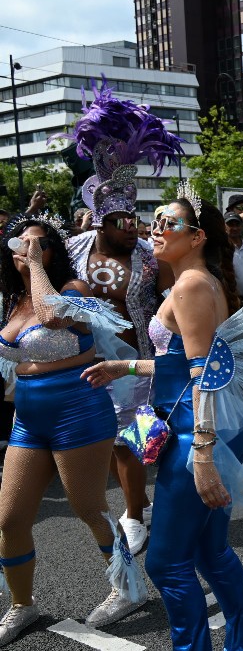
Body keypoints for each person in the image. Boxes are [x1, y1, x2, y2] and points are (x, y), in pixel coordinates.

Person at [84, 184, 243, 650]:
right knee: (210, 552)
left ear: (197, 238)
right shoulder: (195, 282)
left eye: (169, 223)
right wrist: (123, 366)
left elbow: (205, 374)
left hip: (195, 434)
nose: (156, 230)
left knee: (166, 563)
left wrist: (204, 456)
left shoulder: (190, 285)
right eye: (156, 221)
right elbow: (184, 362)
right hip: (207, 427)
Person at [0, 215, 146, 643]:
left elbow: (51, 315)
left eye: (40, 245)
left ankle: (128, 588)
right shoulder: (12, 302)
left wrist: (36, 267)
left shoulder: (73, 291)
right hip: (28, 414)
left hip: (78, 408)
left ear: (54, 253)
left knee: (89, 508)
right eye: (22, 244)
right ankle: (22, 606)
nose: (29, 250)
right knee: (9, 518)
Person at [62, 83, 181, 556]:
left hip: (139, 362)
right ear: (98, 221)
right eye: (120, 222)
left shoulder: (151, 257)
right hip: (89, 364)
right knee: (114, 444)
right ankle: (142, 504)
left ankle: (135, 514)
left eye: (134, 220)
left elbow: (176, 295)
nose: (130, 229)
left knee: (135, 441)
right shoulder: (72, 251)